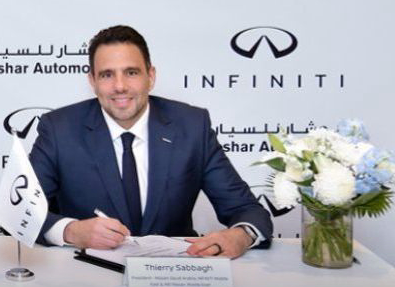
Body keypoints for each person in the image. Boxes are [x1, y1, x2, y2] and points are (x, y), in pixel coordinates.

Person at [29, 25, 272, 258]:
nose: (120, 86)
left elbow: (247, 210)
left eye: (131, 73)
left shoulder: (192, 126)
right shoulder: (59, 129)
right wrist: (71, 231)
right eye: (107, 75)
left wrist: (241, 236)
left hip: (174, 273)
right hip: (87, 272)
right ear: (92, 81)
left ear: (151, 76)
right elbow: (23, 211)